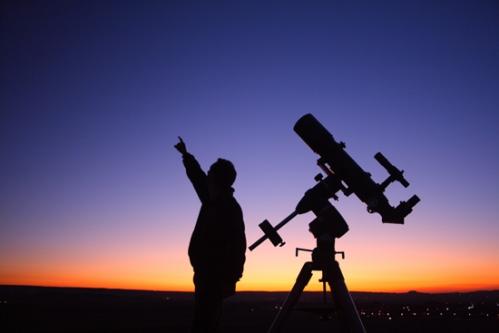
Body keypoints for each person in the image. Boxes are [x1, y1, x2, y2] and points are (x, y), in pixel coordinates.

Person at [174, 137, 246, 333]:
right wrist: (186, 155)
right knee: (205, 323)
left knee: (204, 325)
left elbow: (239, 245)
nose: (207, 175)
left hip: (215, 277)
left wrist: (231, 278)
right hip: (205, 274)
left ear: (217, 179)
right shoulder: (211, 199)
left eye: (211, 173)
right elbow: (197, 177)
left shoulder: (229, 207)